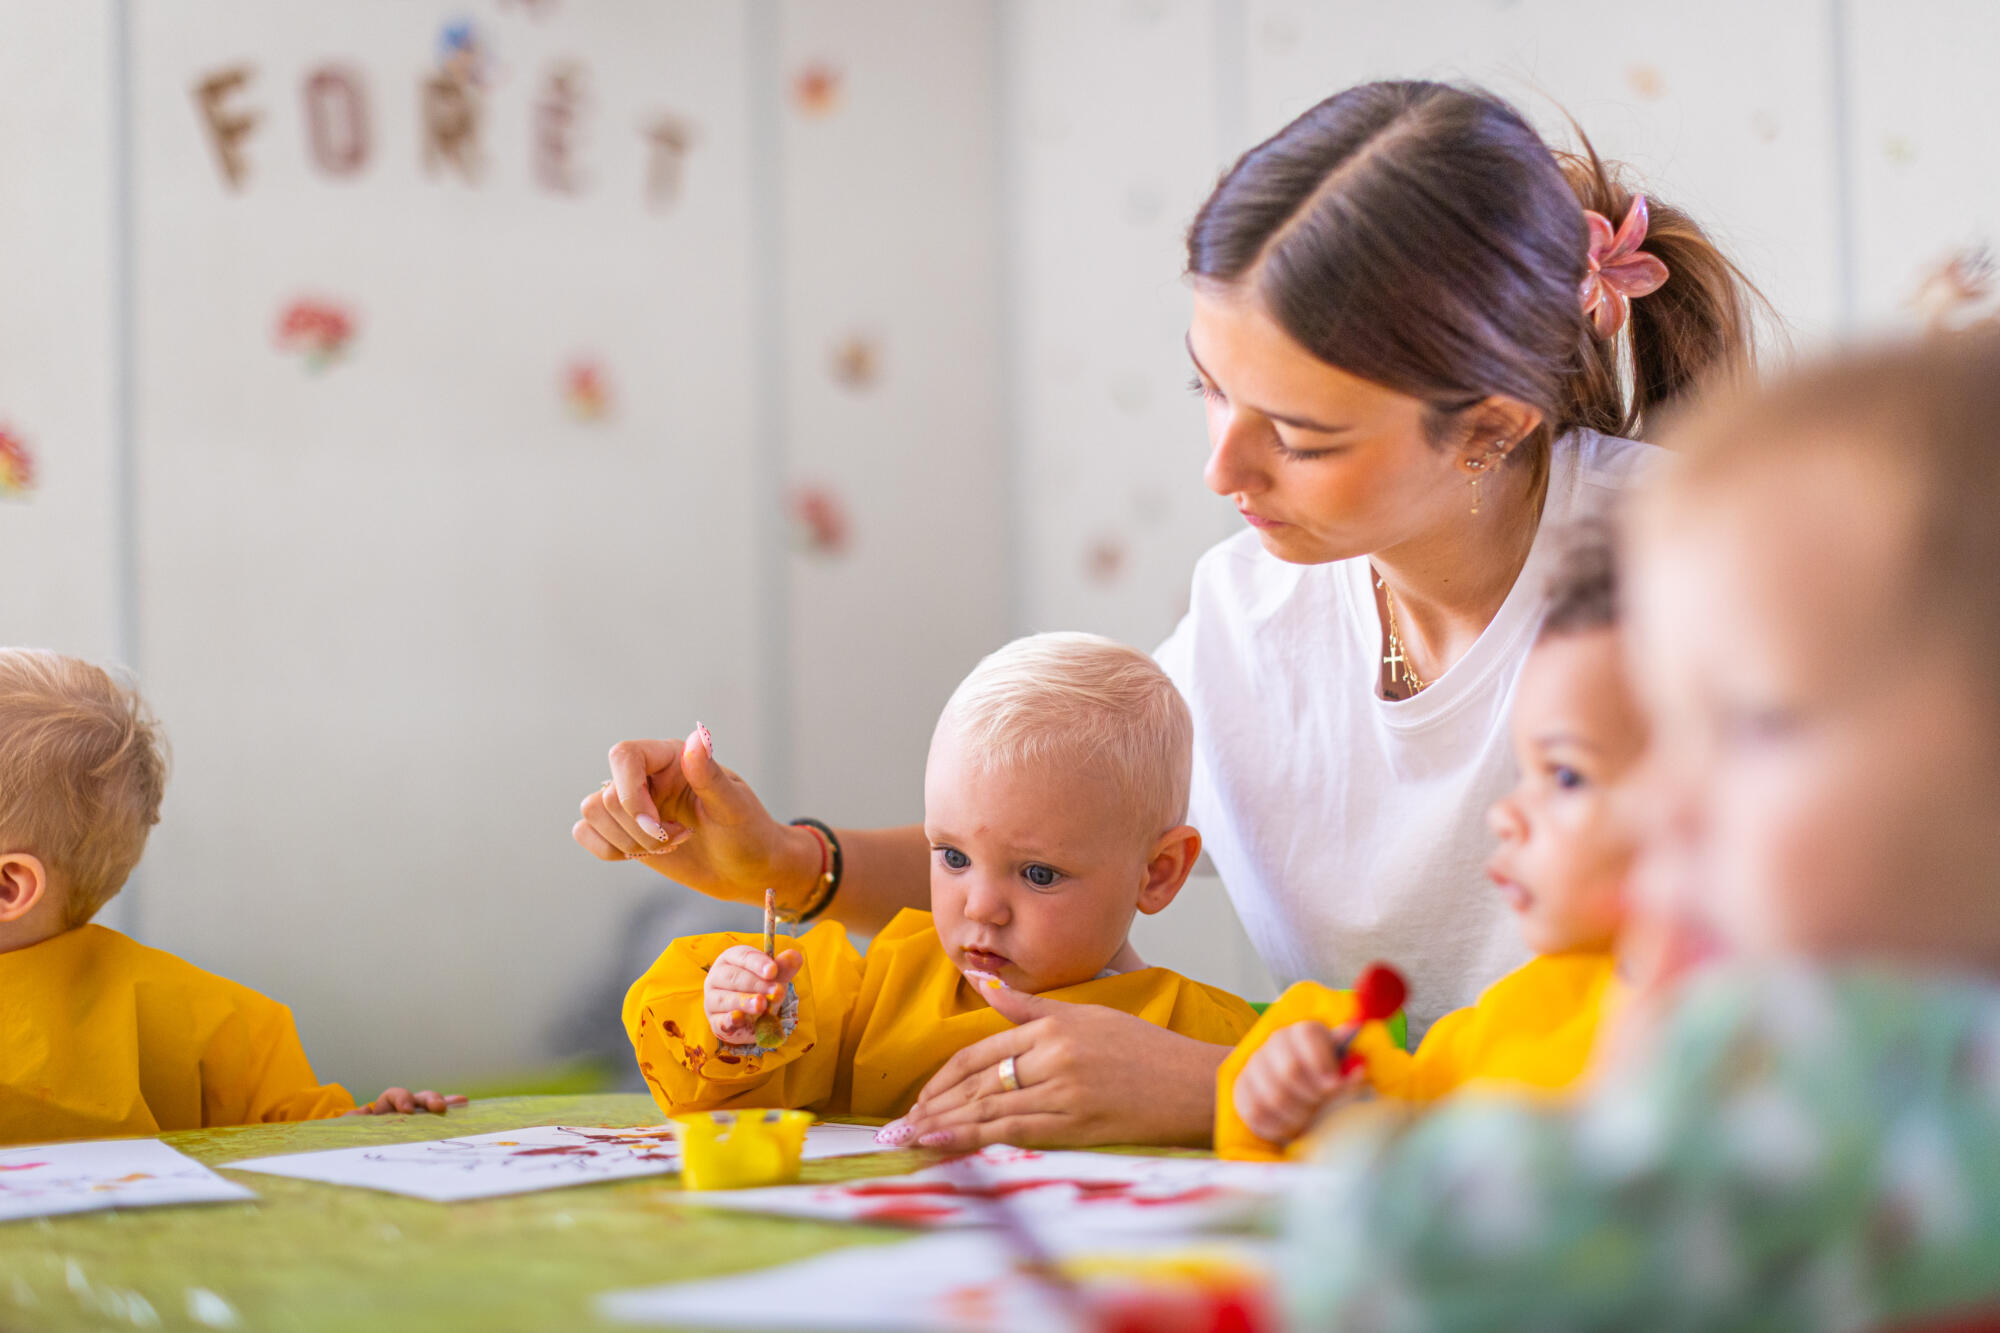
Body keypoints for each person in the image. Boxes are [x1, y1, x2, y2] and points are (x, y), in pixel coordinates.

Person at [575, 80, 1760, 1148]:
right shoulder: (1250, 609)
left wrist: (1213, 1084)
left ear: (1493, 426)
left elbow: (1764, 1037)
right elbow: (1066, 826)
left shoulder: (1700, 579)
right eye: (1208, 388)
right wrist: (789, 859)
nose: (1222, 469)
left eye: (1298, 434)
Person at [1283, 334, 2000, 1329]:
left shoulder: (1831, 1054)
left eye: (1749, 721)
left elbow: (1418, 1258)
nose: (1660, 801)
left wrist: (1644, 1063)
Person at [623, 634, 1256, 1137]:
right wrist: (736, 1013)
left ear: (1159, 872)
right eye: (952, 856)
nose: (980, 907)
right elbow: (722, 1096)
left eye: (1038, 874)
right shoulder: (873, 992)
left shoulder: (1197, 1037)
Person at [1216, 529, 1644, 1160]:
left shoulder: (1748, 1035)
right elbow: (1404, 1105)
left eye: (1568, 776)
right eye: (1524, 774)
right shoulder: (1524, 1011)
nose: (1506, 815)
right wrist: (1292, 1088)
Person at [0, 649, 463, 1145]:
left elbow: (307, 1144)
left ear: (8, 888)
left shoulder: (208, 1026)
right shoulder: (224, 1022)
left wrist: (379, 1125)